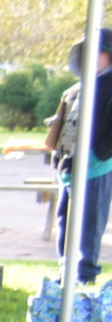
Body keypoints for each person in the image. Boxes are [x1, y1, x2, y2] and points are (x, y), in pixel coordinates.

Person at [55, 35, 111, 285]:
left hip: (97, 168)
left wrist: (100, 154)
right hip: (70, 166)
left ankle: (85, 276)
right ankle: (65, 273)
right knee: (65, 222)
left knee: (89, 225)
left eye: (98, 52)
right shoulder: (78, 88)